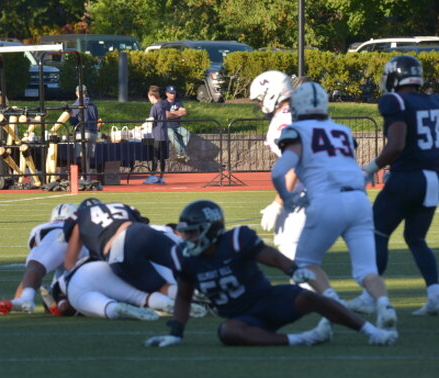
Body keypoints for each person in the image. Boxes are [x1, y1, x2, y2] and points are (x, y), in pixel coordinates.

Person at [144, 200, 398, 348]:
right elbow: (184, 297)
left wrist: (294, 270)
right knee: (228, 331)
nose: (187, 238)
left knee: (310, 298)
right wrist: (176, 333)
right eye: (185, 233)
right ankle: (304, 338)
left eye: (193, 232)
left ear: (211, 229)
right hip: (242, 316)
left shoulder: (235, 241)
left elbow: (272, 256)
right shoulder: (184, 257)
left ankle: (372, 332)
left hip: (268, 301)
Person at [271, 81, 397, 331]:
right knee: (367, 270)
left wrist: (286, 197)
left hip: (328, 200)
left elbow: (278, 172)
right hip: (359, 200)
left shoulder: (297, 131)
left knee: (305, 262)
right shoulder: (342, 131)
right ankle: (384, 305)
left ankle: (333, 302)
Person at [354, 55, 439, 317]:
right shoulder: (433, 100)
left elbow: (397, 144)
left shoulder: (395, 101)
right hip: (432, 180)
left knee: (376, 233)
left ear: (394, 77)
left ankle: (370, 296)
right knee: (416, 238)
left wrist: (370, 169)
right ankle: (435, 294)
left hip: (407, 177)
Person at [64, 198, 182, 312]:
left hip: (119, 249)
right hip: (143, 231)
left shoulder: (79, 218)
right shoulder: (119, 205)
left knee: (160, 287)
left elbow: (70, 264)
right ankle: (192, 293)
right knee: (186, 265)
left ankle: (183, 299)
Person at [250, 71, 307, 264]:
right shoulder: (305, 110)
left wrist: (278, 203)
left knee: (288, 246)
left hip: (310, 190)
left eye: (260, 99)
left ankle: (303, 283)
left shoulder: (284, 120)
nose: (260, 104)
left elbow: (295, 163)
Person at [0, 203, 84, 315]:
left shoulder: (41, 228)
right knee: (68, 296)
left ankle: (25, 298)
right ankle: (61, 302)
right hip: (81, 256)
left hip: (53, 238)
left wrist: (19, 297)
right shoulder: (82, 226)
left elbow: (35, 267)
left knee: (36, 268)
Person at [69, 84, 99, 180]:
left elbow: (72, 121)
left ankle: (84, 176)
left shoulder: (76, 105)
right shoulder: (93, 105)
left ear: (76, 93)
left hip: (82, 132)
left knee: (82, 156)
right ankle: (87, 175)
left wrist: (69, 115)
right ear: (86, 92)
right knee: (88, 157)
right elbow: (96, 118)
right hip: (93, 133)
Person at [144, 86, 168, 184]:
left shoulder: (155, 107)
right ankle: (161, 177)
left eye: (149, 98)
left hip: (156, 134)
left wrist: (141, 127)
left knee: (154, 155)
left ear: (151, 96)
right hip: (163, 133)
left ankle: (153, 175)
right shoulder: (163, 105)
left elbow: (151, 121)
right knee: (162, 157)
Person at [164, 85, 190, 162]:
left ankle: (181, 153)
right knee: (172, 135)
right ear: (166, 93)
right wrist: (178, 113)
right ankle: (182, 153)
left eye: (174, 93)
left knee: (187, 134)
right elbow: (167, 115)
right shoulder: (164, 103)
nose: (173, 95)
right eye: (171, 93)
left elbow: (184, 112)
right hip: (167, 126)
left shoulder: (178, 102)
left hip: (177, 126)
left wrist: (173, 112)